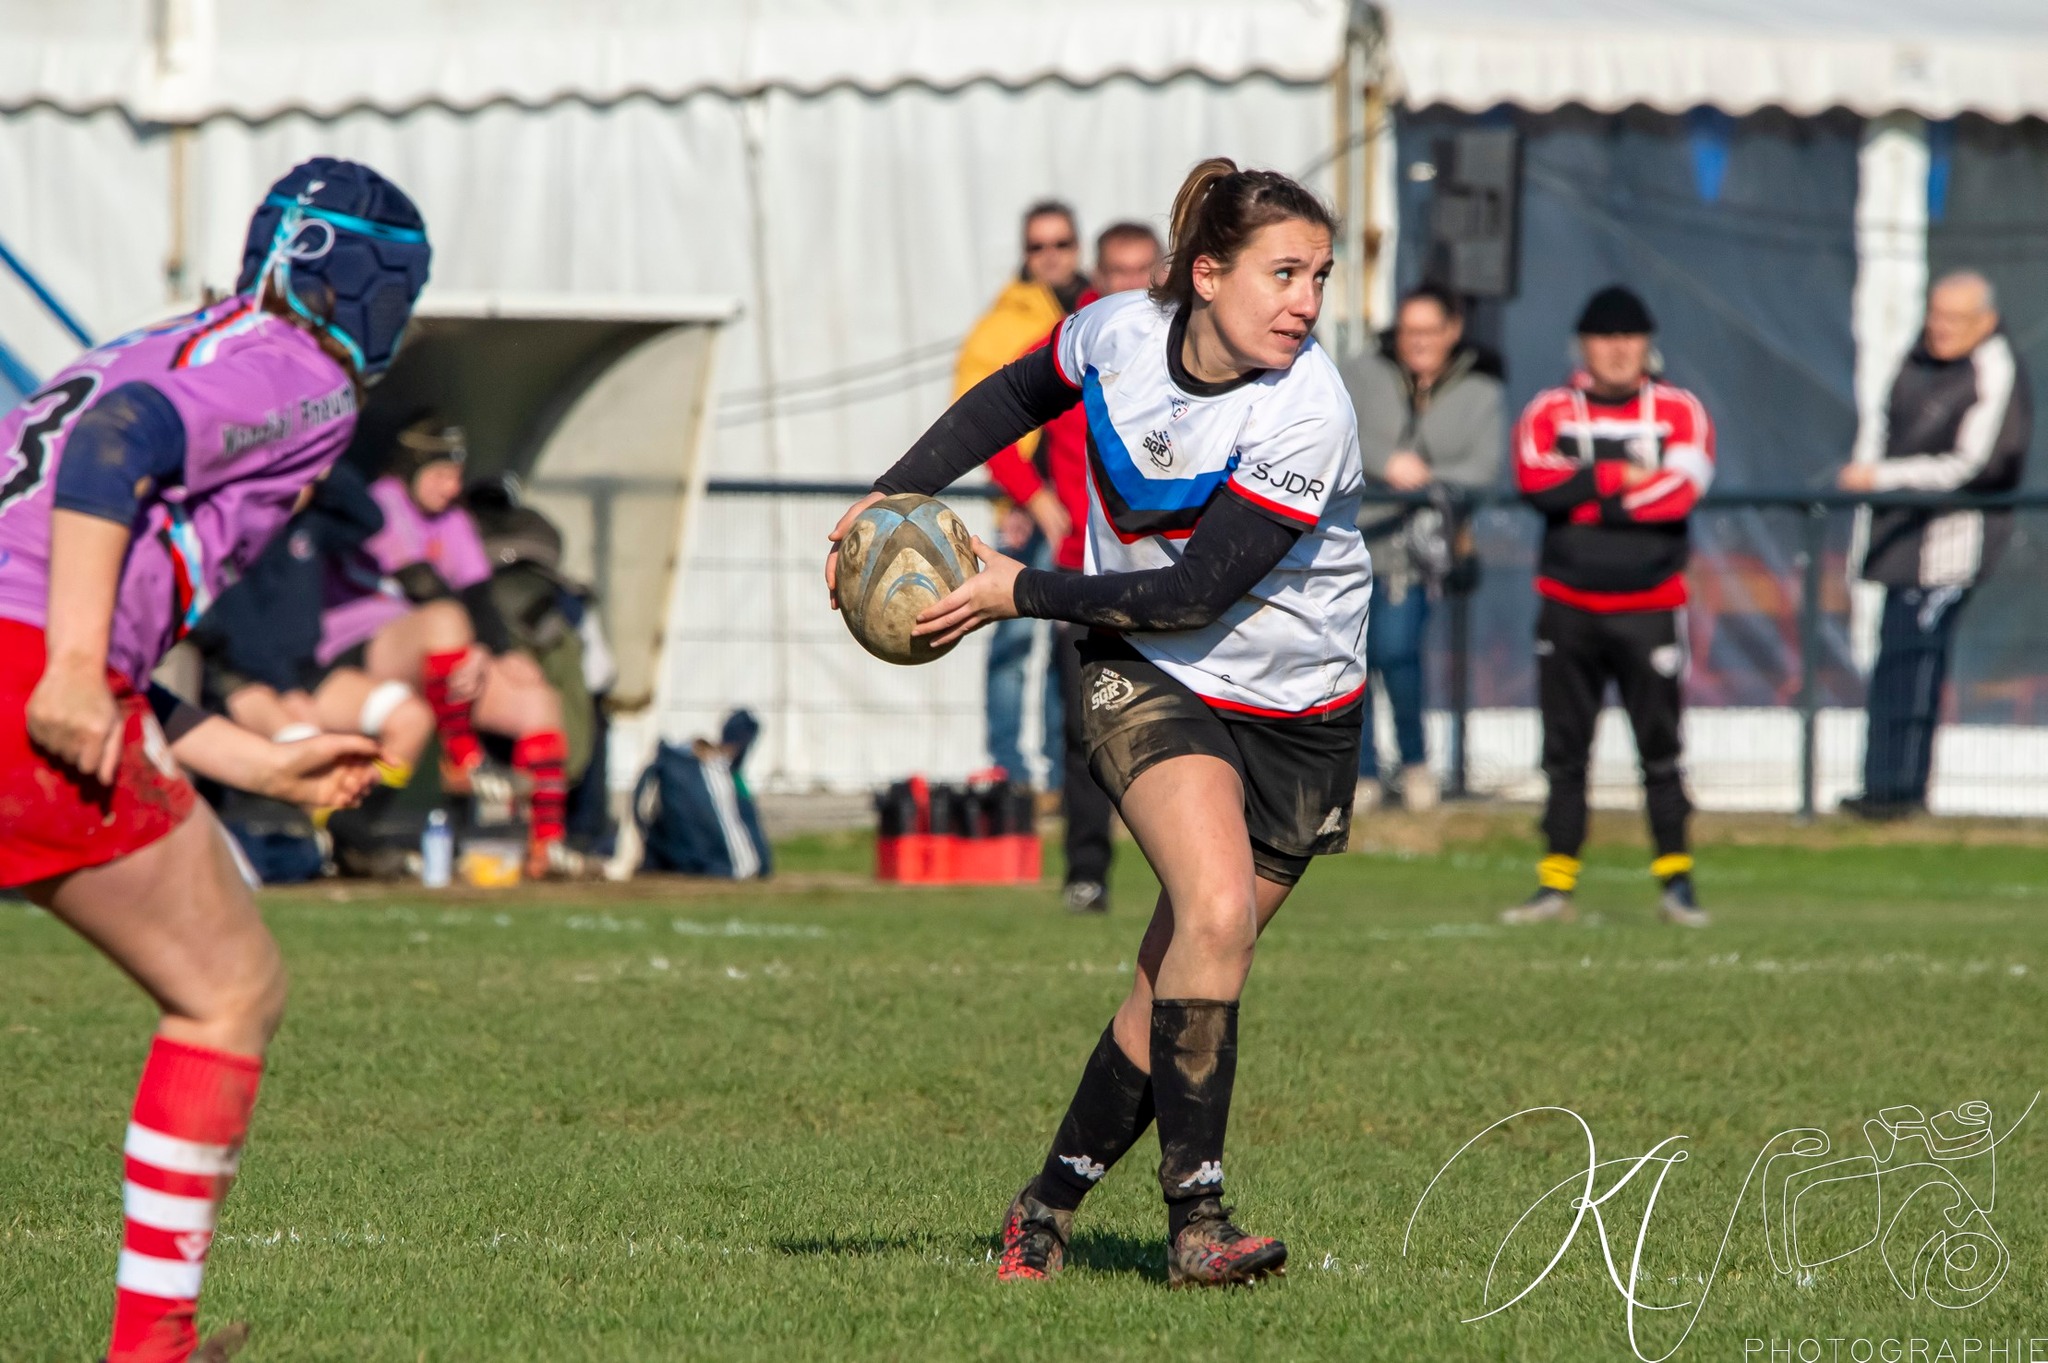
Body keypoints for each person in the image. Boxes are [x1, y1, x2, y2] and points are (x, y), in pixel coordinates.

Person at [828, 159, 1367, 1286]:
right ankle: (1199, 1223)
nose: (1305, 302)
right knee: (1212, 911)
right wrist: (891, 495)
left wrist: (1017, 589)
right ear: (1204, 276)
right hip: (1143, 666)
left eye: (1318, 275)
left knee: (1177, 965)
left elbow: (1194, 588)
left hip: (1299, 710)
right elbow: (1016, 395)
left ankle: (1045, 1203)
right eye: (1281, 273)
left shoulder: (1307, 409)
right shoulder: (1118, 331)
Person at [0, 158, 426, 1363]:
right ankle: (154, 1347)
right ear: (369, 284)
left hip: (29, 653)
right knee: (228, 990)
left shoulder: (162, 339)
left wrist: (258, 757)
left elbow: (92, 501)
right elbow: (116, 453)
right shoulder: (307, 378)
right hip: (24, 668)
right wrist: (75, 670)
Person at [1503, 285, 1714, 928]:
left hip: (1650, 605)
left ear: (1648, 345)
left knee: (1660, 748)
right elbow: (1534, 482)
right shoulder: (1550, 409)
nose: (1619, 350)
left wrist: (1589, 499)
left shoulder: (1680, 409)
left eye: (1630, 337)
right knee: (1565, 752)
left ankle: (1677, 884)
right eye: (1605, 338)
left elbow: (1682, 490)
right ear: (1583, 345)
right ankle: (1555, 887)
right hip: (1566, 605)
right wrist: (1618, 477)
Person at [315, 417, 587, 879]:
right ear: (412, 470)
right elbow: (421, 584)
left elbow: (479, 595)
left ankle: (546, 844)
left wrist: (499, 653)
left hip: (444, 660)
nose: (452, 485)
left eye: (457, 474)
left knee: (537, 696)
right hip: (360, 647)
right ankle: (461, 757)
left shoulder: (454, 519)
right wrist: (474, 646)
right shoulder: (384, 500)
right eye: (440, 473)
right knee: (446, 621)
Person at [984, 221, 1165, 914]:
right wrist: (1034, 496)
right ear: (1097, 274)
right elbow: (997, 415)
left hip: (1168, 579)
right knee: (1085, 729)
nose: (1128, 285)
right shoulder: (1079, 344)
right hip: (1078, 574)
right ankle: (1086, 873)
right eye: (1115, 271)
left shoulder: (1190, 350)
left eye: (1141, 270)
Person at [1836, 271, 2032, 820]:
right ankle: (1878, 784)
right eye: (1936, 315)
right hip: (1900, 535)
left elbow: (1977, 464)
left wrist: (1883, 477)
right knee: (1892, 653)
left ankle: (1904, 790)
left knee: (1920, 656)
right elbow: (1881, 428)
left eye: (1955, 319)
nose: (1940, 328)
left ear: (1986, 323)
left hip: (1952, 541)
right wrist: (1877, 475)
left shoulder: (1995, 369)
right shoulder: (1914, 358)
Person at [191, 459, 438, 873]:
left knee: (411, 718)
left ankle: (352, 832)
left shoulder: (311, 525)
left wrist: (325, 461)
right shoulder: (234, 533)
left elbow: (369, 518)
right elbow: (236, 634)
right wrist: (285, 691)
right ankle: (335, 844)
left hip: (304, 674)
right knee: (302, 740)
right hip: (242, 678)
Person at [1338, 283, 1504, 813]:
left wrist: (1427, 479)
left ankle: (1414, 763)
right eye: (1410, 330)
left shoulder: (1482, 392)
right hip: (1353, 542)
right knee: (1349, 661)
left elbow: (1482, 469)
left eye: (1430, 330)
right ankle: (1361, 772)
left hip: (1422, 553)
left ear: (1453, 330)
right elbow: (1334, 436)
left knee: (1396, 652)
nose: (1418, 342)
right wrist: (1386, 464)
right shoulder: (1362, 374)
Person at [958, 201, 1089, 790]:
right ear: (1024, 253)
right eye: (1038, 246)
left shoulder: (1099, 308)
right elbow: (981, 421)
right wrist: (1025, 499)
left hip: (1084, 508)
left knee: (1071, 643)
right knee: (1012, 636)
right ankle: (1010, 766)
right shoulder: (1003, 326)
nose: (1051, 256)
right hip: (1032, 507)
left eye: (1060, 244)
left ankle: (1067, 771)